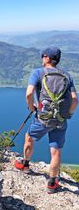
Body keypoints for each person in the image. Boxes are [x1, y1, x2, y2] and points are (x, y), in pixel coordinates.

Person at [14, 47, 78, 194]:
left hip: (43, 118)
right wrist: (68, 114)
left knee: (29, 138)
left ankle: (25, 164)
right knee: (56, 151)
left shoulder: (38, 73)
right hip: (61, 120)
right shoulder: (67, 76)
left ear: (48, 58)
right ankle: (53, 182)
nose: (42, 58)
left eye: (43, 56)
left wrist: (31, 108)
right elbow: (75, 100)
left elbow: (29, 93)